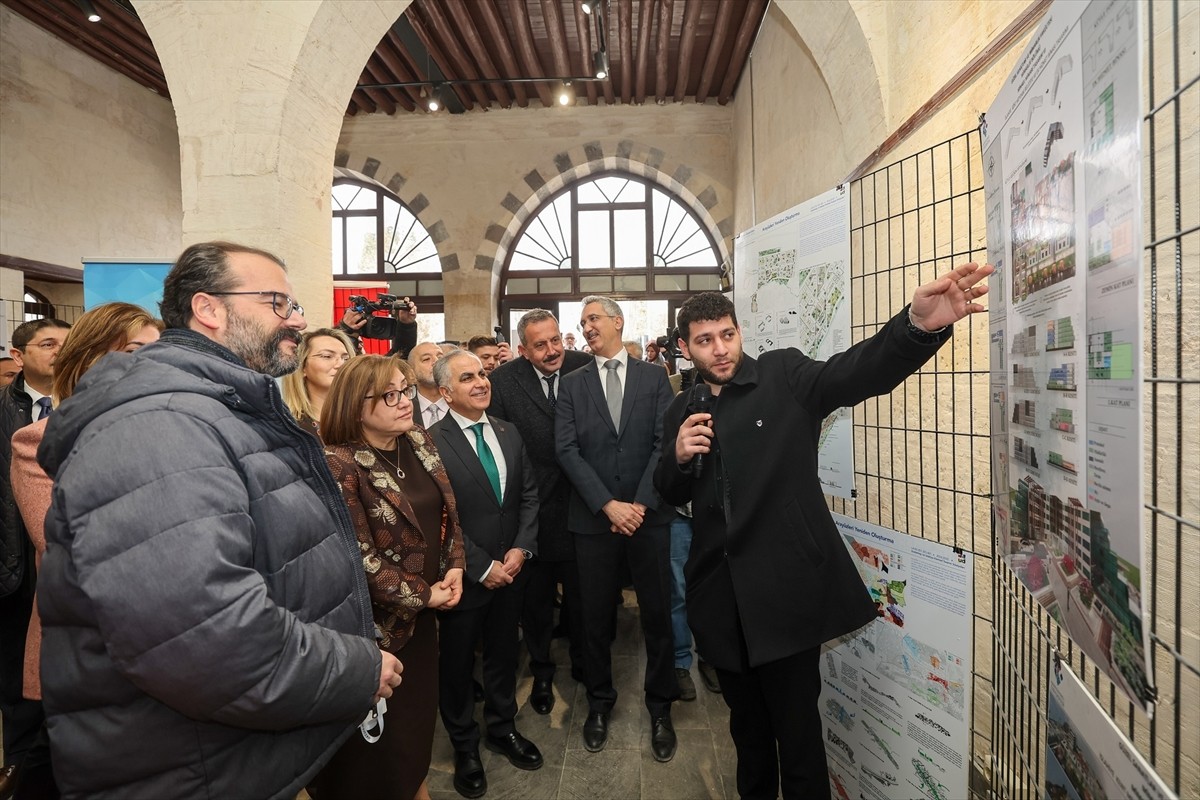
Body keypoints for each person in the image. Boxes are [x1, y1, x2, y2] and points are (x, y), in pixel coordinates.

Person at [35, 242, 400, 799]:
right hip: (191, 768)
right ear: (209, 309)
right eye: (278, 302)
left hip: (235, 756)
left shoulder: (220, 408)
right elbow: (203, 642)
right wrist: (357, 670)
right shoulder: (159, 425)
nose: (298, 319)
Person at [654, 262, 994, 800]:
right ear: (684, 347)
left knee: (800, 740)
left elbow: (854, 372)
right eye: (704, 341)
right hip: (720, 603)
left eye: (727, 334)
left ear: (739, 332)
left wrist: (915, 327)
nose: (719, 349)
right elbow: (668, 490)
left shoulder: (783, 377)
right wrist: (675, 456)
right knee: (749, 738)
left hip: (786, 598)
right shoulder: (682, 407)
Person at [311, 355, 465, 800]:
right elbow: (356, 557)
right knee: (382, 748)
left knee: (416, 731)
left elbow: (449, 512)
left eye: (406, 390)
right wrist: (424, 596)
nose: (405, 403)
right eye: (390, 395)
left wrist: (455, 564)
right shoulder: (338, 463)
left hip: (424, 623)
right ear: (356, 407)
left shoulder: (416, 439)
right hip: (376, 630)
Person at [11, 303, 163, 713]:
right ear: (88, 358)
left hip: (166, 644)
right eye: (133, 352)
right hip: (88, 644)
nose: (148, 365)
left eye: (157, 353)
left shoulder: (172, 434)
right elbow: (66, 544)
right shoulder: (37, 441)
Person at [554, 295, 679, 762]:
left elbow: (663, 444)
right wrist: (609, 505)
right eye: (582, 321)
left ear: (617, 322)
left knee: (658, 615)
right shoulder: (573, 383)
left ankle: (661, 706)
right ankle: (599, 703)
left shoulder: (654, 378)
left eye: (593, 319)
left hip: (648, 519)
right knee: (593, 619)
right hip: (593, 521)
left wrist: (639, 505)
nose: (586, 327)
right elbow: (566, 450)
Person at [429, 351, 542, 799]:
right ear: (445, 392)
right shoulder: (429, 441)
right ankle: (465, 746)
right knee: (457, 666)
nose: (481, 382)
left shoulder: (508, 432)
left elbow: (528, 496)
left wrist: (521, 549)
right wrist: (481, 566)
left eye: (483, 374)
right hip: (465, 576)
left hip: (513, 569)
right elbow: (437, 516)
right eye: (467, 377)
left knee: (503, 654)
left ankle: (501, 727)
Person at [487, 310, 591, 715]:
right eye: (540, 345)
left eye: (556, 340)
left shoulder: (584, 367)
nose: (552, 351)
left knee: (584, 599)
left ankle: (585, 664)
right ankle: (543, 672)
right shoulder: (503, 382)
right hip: (533, 512)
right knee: (536, 604)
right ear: (522, 350)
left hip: (585, 505)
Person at [0, 317, 70, 798]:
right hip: (14, 572)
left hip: (62, 576)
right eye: (47, 344)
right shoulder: (5, 412)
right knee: (19, 697)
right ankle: (22, 779)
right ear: (19, 355)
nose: (59, 352)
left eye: (67, 344)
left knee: (62, 692)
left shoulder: (87, 407)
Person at [281, 326, 355, 438]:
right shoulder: (288, 428)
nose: (341, 365)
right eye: (327, 356)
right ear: (302, 367)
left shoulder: (363, 420)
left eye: (346, 359)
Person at [337, 295, 419, 357]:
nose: (358, 346)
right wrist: (345, 331)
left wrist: (406, 325)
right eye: (354, 342)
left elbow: (400, 359)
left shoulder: (375, 371)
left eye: (360, 343)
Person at [409, 341, 448, 427]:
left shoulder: (461, 402)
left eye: (440, 357)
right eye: (426, 359)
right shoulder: (405, 409)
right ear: (411, 372)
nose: (436, 361)